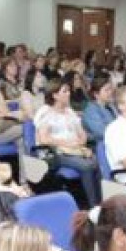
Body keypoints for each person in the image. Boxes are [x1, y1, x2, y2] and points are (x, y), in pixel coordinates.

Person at [34, 78, 102, 206]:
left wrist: (81, 141)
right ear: (54, 95)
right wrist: (68, 143)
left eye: (68, 91)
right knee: (87, 165)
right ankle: (93, 205)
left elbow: (81, 133)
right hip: (56, 152)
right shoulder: (46, 112)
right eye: (64, 91)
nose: (69, 93)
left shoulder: (70, 112)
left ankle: (101, 201)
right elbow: (44, 139)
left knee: (97, 162)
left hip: (75, 149)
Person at [81, 72, 117, 143]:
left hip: (114, 141)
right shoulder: (91, 111)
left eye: (110, 89)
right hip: (99, 145)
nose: (110, 92)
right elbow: (102, 132)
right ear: (96, 94)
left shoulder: (111, 106)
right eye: (106, 90)